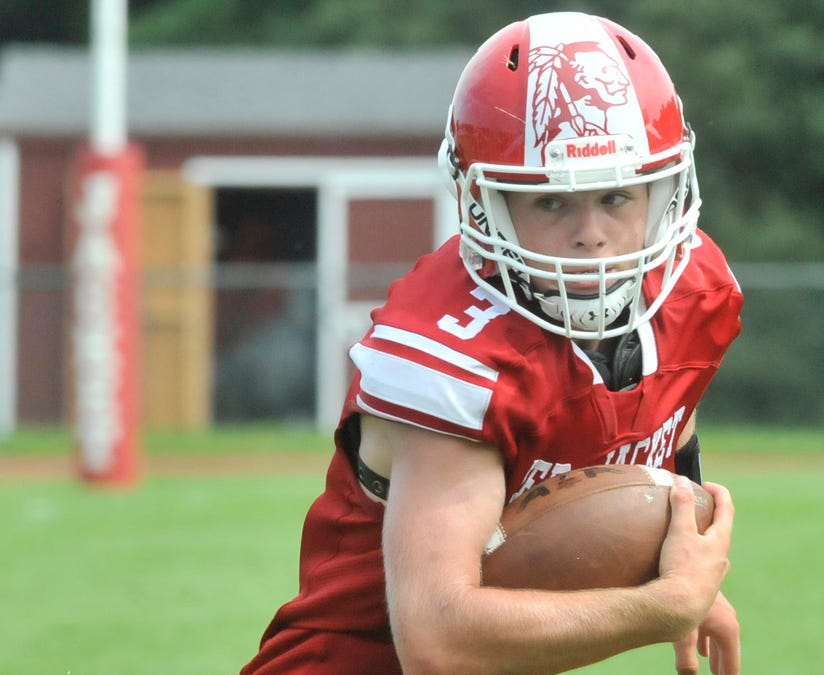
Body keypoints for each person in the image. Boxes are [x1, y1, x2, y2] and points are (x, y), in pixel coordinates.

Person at [242, 12, 744, 674]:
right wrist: (663, 603)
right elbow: (438, 639)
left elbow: (669, 418)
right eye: (551, 203)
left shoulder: (690, 293)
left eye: (617, 196)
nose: (591, 234)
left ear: (664, 191)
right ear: (484, 205)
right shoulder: (455, 356)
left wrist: (681, 551)